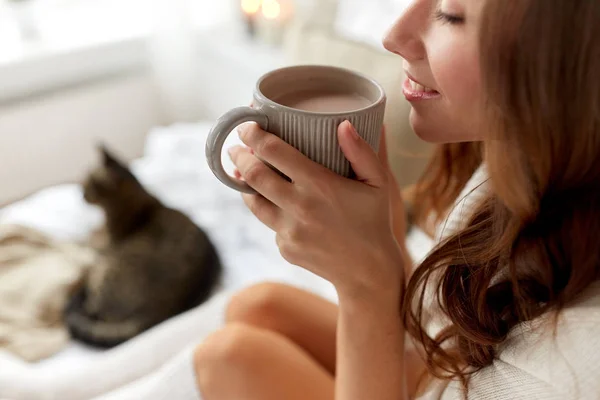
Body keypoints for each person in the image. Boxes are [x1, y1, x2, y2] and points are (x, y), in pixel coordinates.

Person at [191, 0, 600, 399]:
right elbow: (430, 329)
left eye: (451, 15)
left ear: (562, 60)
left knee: (227, 359)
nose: (393, 37)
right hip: (446, 368)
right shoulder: (523, 157)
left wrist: (364, 289)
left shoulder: (566, 373)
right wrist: (386, 236)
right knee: (259, 305)